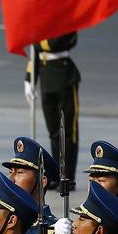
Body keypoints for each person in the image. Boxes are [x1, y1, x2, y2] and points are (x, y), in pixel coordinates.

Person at [26, 33, 79, 186]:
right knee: (53, 131)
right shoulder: (43, 25)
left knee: (68, 131)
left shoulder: (64, 20)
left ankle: (68, 176)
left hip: (64, 77)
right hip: (46, 76)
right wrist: (29, 78)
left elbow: (57, 43)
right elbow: (34, 53)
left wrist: (35, 41)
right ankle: (57, 174)